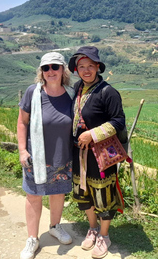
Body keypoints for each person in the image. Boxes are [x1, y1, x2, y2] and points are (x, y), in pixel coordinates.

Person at [68, 46, 126, 259]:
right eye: (81, 66)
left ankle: (104, 235)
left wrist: (93, 134)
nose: (86, 70)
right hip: (79, 152)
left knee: (103, 194)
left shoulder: (108, 92)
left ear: (98, 68)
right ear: (76, 70)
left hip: (101, 154)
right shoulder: (78, 88)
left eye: (90, 66)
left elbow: (118, 121)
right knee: (83, 193)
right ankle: (92, 228)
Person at [17, 52, 75, 259]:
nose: (50, 71)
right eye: (46, 68)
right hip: (36, 157)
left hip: (62, 156)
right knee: (33, 196)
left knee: (58, 193)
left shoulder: (70, 94)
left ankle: (54, 226)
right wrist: (23, 150)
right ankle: (32, 238)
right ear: (41, 72)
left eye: (55, 67)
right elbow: (22, 122)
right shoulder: (33, 93)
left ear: (62, 70)